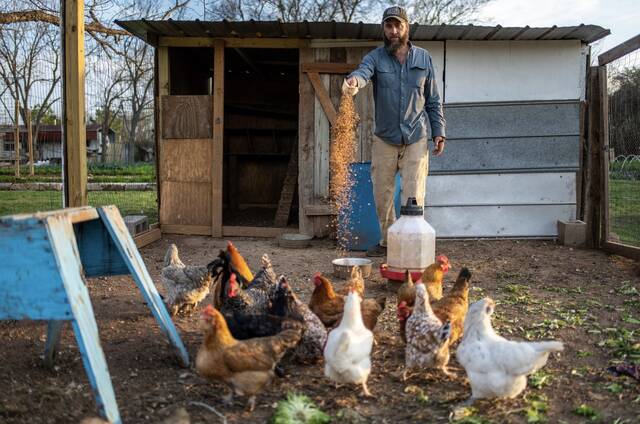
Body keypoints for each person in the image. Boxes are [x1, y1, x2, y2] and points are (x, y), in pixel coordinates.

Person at [343, 5, 446, 257]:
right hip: (385, 138)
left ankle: (411, 244)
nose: (393, 31)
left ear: (406, 27)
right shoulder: (375, 58)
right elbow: (363, 73)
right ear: (384, 29)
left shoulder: (423, 58)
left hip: (415, 137)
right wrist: (354, 82)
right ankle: (389, 243)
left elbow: (433, 99)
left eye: (398, 25)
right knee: (382, 193)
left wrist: (438, 130)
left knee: (413, 195)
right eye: (389, 26)